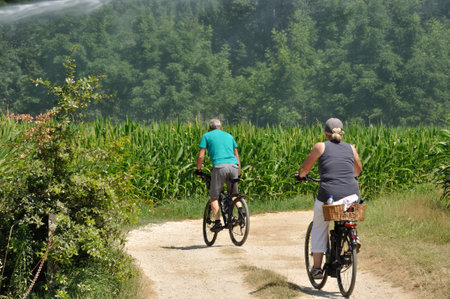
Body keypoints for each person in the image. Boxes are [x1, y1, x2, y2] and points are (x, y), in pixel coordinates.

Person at [297, 118, 362, 279]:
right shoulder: (350, 148)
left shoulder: (320, 146)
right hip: (352, 193)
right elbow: (358, 170)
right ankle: (353, 234)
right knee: (348, 215)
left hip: (329, 195)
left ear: (325, 133)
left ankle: (317, 268)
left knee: (320, 225)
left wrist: (301, 176)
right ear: (342, 132)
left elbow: (306, 168)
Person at [196, 119, 241, 232]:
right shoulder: (229, 136)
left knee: (214, 197)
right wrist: (238, 173)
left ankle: (217, 222)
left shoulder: (206, 136)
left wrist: (198, 170)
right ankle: (242, 211)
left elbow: (201, 156)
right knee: (234, 195)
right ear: (220, 127)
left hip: (219, 167)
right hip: (233, 166)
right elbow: (236, 155)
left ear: (210, 128)